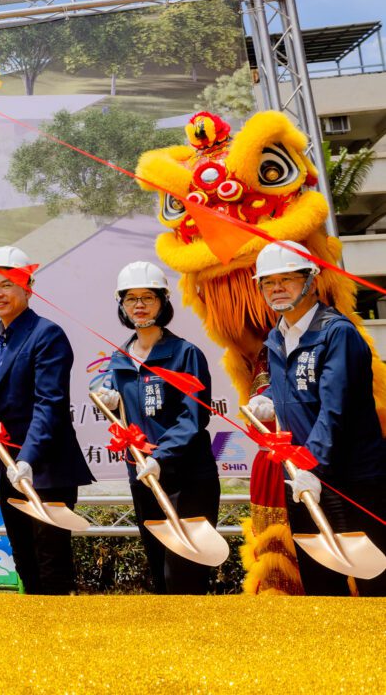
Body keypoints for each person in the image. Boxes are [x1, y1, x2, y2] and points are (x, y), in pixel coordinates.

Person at [247, 240, 386, 596]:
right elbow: (295, 396)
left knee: (373, 581)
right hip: (303, 480)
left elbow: (335, 408)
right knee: (322, 584)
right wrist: (268, 401)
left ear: (311, 280)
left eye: (287, 279)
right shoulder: (276, 337)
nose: (277, 289)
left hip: (351, 479)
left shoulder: (336, 333)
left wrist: (311, 464)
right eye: (268, 282)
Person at [0, 246, 92, 595]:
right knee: (24, 561)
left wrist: (27, 458)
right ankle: (33, 641)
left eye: (6, 285)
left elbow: (50, 404)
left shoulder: (47, 335)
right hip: (8, 468)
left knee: (51, 562)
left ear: (27, 287)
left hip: (44, 469)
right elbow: (10, 400)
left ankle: (59, 641)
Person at [91, 261, 220, 594]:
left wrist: (161, 456)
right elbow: (125, 422)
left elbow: (193, 418)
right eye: (130, 298)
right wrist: (107, 403)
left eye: (148, 297)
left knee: (185, 575)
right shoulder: (119, 360)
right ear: (120, 305)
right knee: (160, 573)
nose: (139, 305)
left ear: (164, 301)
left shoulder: (184, 354)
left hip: (187, 478)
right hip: (144, 476)